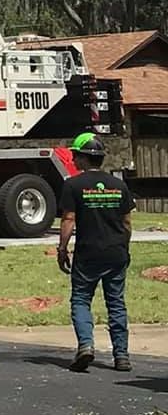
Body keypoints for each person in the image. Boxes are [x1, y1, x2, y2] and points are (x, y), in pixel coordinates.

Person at [58, 133, 133, 374]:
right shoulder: (119, 185)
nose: (72, 158)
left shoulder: (72, 185)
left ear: (82, 157)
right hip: (116, 253)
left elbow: (69, 219)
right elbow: (127, 223)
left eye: (74, 155)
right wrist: (124, 247)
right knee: (116, 303)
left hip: (88, 254)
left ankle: (86, 346)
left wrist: (62, 249)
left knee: (81, 300)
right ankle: (121, 356)